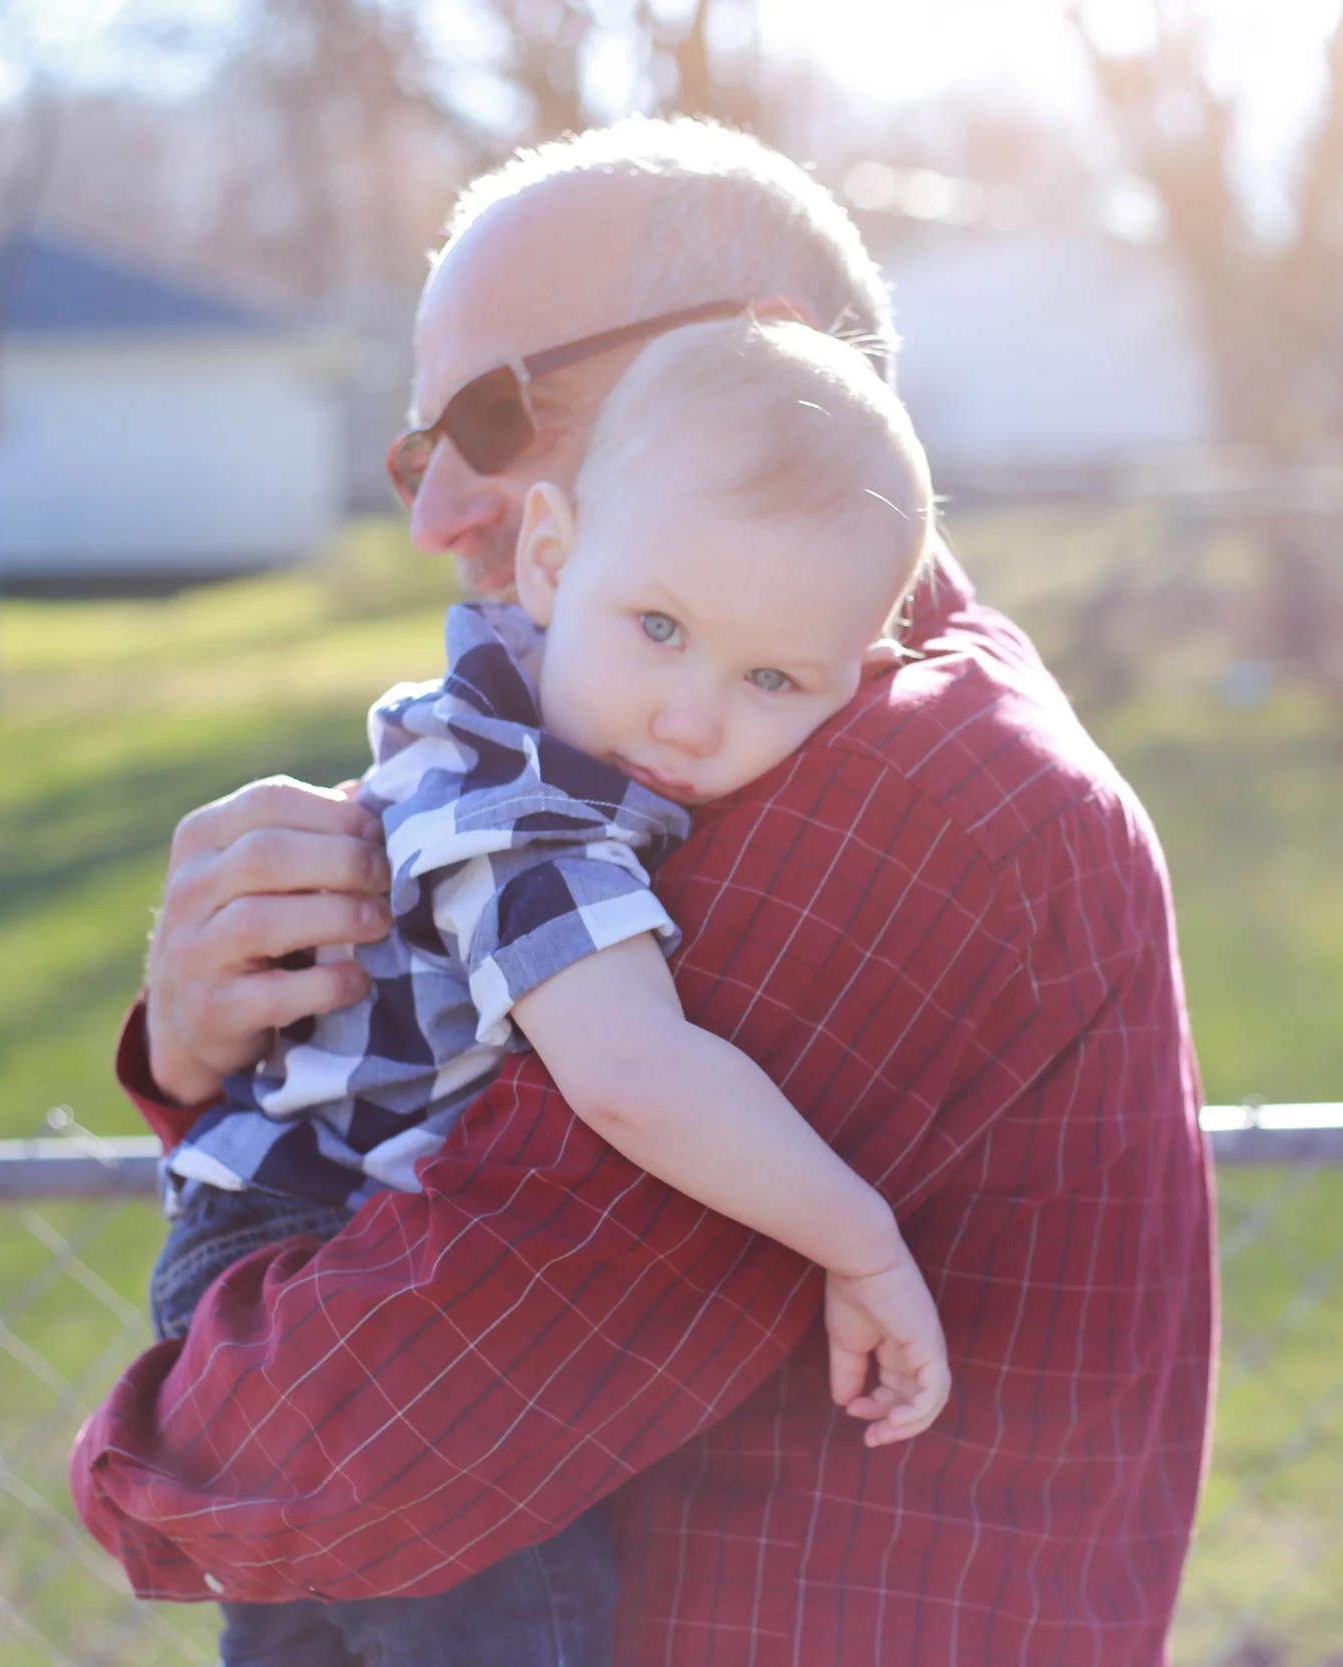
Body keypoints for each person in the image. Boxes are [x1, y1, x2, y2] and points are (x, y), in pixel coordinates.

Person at [73, 118, 1216, 1664]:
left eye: (494, 411)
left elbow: (376, 1440)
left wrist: (144, 1454)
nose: (436, 513)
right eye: (421, 450)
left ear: (768, 357)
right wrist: (221, 1042)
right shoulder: (664, 757)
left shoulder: (905, 795)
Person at [147, 314, 950, 1665]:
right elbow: (633, 1076)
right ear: (550, 556)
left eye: (772, 678)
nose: (692, 719)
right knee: (516, 1611)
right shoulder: (526, 809)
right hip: (326, 1265)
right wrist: (859, 1241)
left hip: (290, 1247)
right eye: (659, 626)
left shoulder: (497, 722)